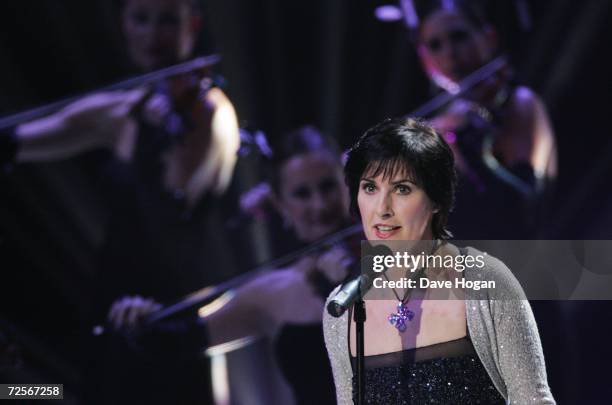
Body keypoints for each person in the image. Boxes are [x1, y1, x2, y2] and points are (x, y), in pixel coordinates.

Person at [323, 117, 555, 404]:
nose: (381, 209)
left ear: (436, 200)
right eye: (370, 188)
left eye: (402, 189)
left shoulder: (485, 283)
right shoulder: (343, 308)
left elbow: (533, 399)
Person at [410, 0, 557, 238]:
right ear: (425, 60)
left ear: (489, 38)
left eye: (459, 37)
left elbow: (522, 211)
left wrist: (453, 144)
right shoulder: (444, 123)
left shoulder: (518, 103)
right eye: (435, 45)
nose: (450, 53)